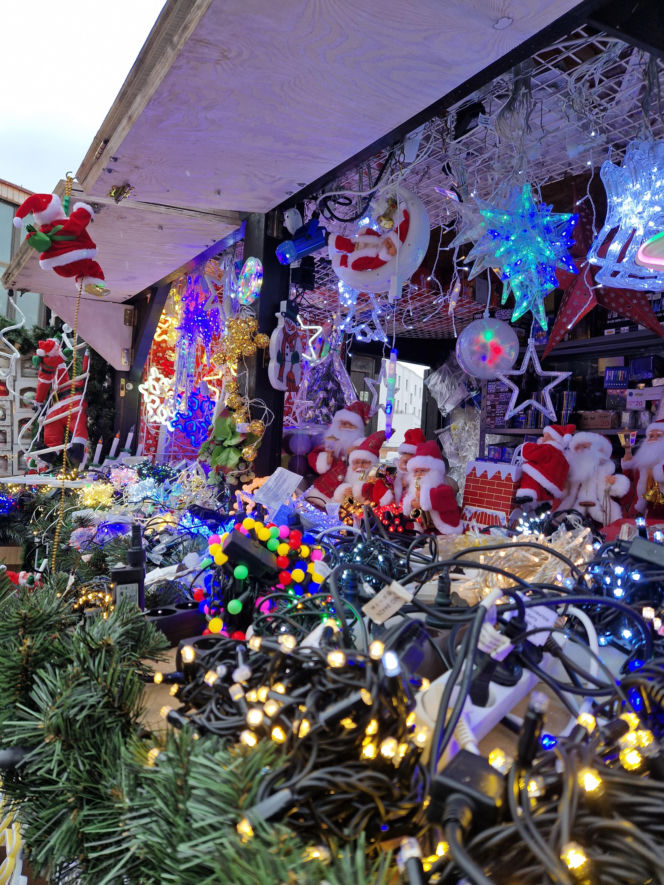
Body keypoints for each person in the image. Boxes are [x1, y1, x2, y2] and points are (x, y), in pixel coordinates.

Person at [304, 401, 368, 507]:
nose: (346, 427)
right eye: (343, 424)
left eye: (351, 425)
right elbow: (313, 456)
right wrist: (325, 458)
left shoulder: (361, 448)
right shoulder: (330, 443)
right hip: (323, 491)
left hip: (346, 496)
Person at [557, 432, 629, 525]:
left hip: (598, 504)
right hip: (578, 504)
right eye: (578, 447)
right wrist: (565, 486)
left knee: (607, 519)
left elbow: (616, 488)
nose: (581, 451)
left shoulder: (604, 468)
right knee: (572, 521)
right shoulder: (572, 470)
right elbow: (565, 492)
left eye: (585, 447)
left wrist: (614, 482)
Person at [402, 441, 462, 534]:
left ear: (434, 471)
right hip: (425, 531)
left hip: (445, 532)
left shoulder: (444, 488)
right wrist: (410, 503)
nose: (419, 475)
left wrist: (422, 499)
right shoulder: (416, 488)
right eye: (416, 471)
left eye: (423, 470)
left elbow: (434, 499)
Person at [516, 423, 575, 509]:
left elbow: (528, 453)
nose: (543, 437)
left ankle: (527, 493)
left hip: (542, 477)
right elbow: (565, 470)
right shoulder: (563, 457)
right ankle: (546, 502)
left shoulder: (548, 448)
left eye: (545, 435)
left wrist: (532, 445)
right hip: (554, 485)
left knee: (530, 470)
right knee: (544, 490)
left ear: (552, 436)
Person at [621, 420, 664, 518]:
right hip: (642, 509)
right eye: (651, 436)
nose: (654, 439)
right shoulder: (643, 461)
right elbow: (631, 479)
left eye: (659, 436)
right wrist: (628, 458)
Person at [335, 431, 386, 503]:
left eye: (365, 462)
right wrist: (347, 495)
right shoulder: (348, 474)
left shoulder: (377, 473)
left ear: (372, 463)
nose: (360, 466)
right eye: (356, 463)